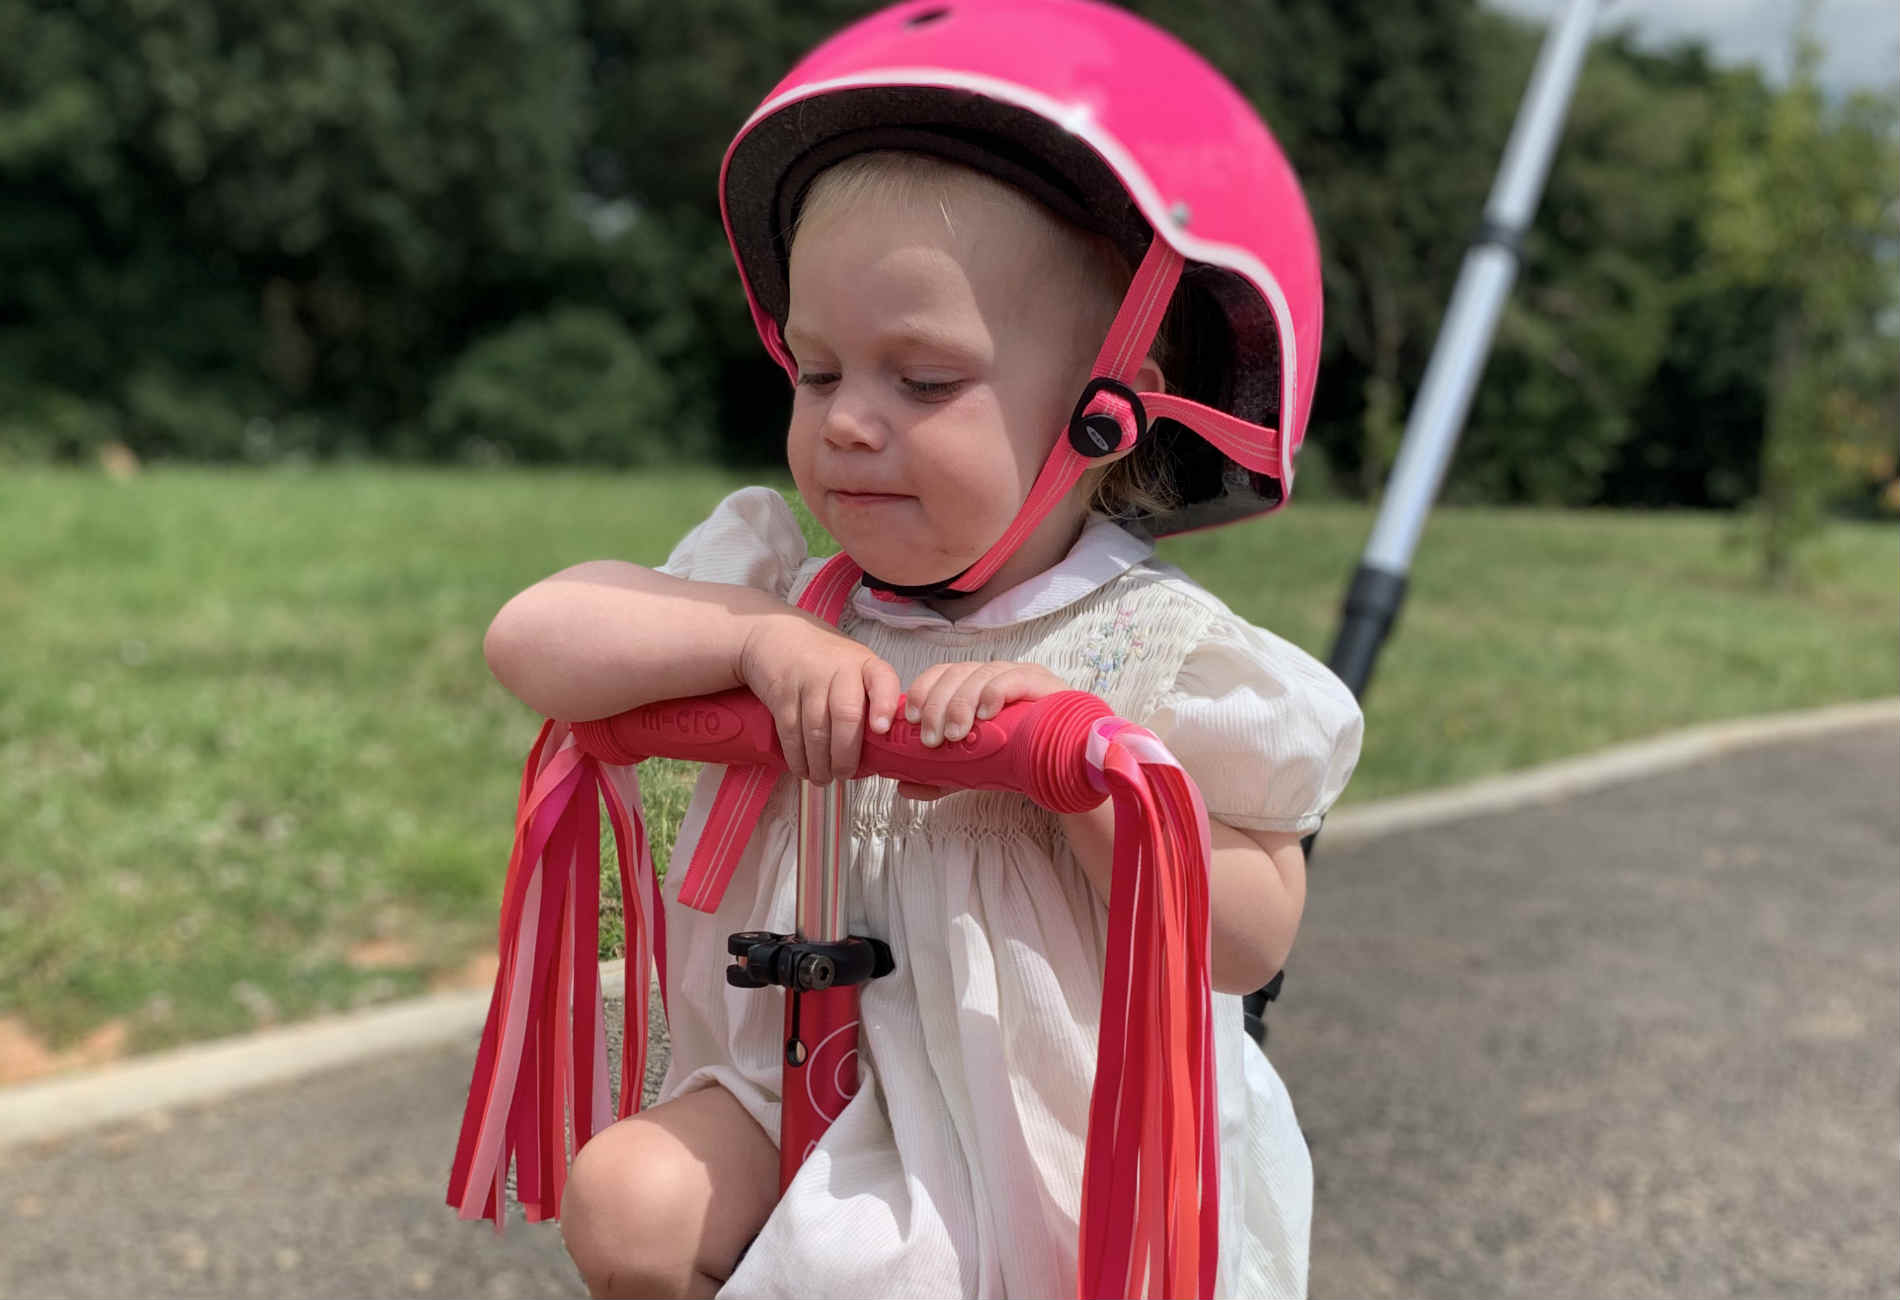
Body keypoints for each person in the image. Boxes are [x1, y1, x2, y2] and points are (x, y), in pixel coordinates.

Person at [480, 2, 1361, 1295]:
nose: (847, 423)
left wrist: (1072, 769)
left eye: (923, 383)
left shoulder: (1155, 653)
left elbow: (1248, 940)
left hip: (1052, 1147)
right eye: (819, 372)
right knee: (626, 1204)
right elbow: (531, 638)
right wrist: (762, 641)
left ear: (1110, 407)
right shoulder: (788, 586)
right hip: (792, 1083)